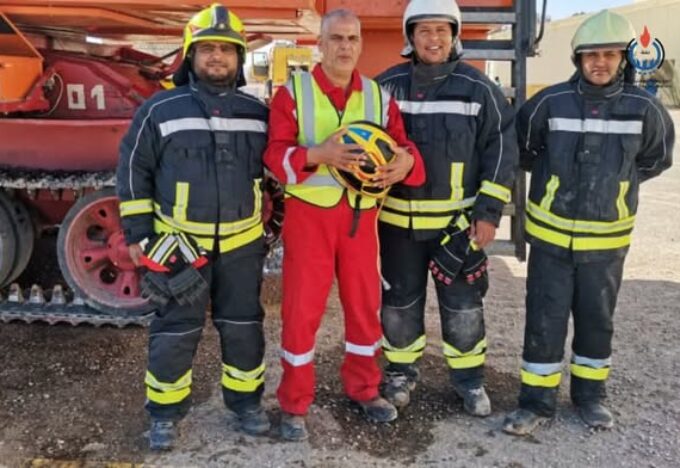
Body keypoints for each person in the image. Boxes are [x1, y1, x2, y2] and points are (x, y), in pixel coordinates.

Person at [503, 10, 674, 436]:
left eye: (610, 55)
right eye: (591, 55)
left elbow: (654, 160)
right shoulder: (549, 103)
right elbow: (524, 150)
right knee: (544, 320)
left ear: (624, 59)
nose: (600, 62)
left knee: (597, 322)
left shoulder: (645, 109)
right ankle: (535, 402)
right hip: (550, 241)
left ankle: (590, 398)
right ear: (578, 58)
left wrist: (616, 188)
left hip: (606, 244)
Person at [263, 8, 425, 441]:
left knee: (363, 306)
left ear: (361, 44)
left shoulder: (378, 96)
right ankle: (294, 404)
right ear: (319, 43)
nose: (345, 47)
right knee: (301, 312)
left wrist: (406, 162)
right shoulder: (293, 93)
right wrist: (318, 155)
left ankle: (365, 389)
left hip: (360, 219)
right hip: (309, 219)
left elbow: (403, 146)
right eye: (336, 38)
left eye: (352, 39)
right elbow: (274, 156)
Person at [116, 4, 271, 450]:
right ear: (191, 55)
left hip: (242, 246)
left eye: (227, 49)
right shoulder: (159, 109)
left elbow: (277, 172)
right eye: (207, 49)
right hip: (178, 246)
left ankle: (246, 404)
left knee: (243, 326)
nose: (217, 56)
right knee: (175, 330)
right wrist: (138, 234)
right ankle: (164, 414)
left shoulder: (258, 112)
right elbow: (133, 170)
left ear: (239, 57)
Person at [374, 0, 517, 417]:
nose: (433, 39)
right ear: (410, 36)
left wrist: (488, 213)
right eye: (424, 30)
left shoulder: (479, 90)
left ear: (454, 35)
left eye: (441, 30)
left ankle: (469, 381)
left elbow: (501, 153)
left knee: (464, 308)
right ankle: (400, 374)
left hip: (458, 228)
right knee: (399, 306)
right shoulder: (385, 88)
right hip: (397, 226)